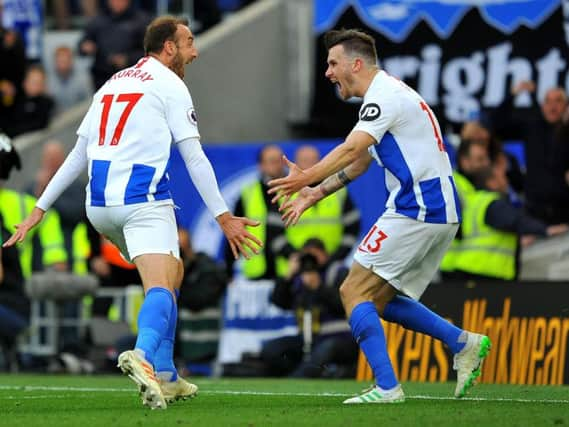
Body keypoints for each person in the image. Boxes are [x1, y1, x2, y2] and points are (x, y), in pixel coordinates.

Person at [4, 16, 262, 410]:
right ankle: (142, 355)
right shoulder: (171, 85)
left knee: (172, 272)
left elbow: (77, 154)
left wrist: (40, 207)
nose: (195, 52)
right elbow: (193, 156)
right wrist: (223, 216)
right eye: (189, 42)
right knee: (160, 285)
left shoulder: (113, 81)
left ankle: (168, 374)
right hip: (141, 200)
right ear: (169, 48)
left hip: (100, 206)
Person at [268, 29, 490, 404]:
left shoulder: (383, 97)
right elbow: (360, 162)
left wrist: (306, 176)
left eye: (332, 63)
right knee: (378, 299)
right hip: (435, 210)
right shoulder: (390, 95)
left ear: (356, 63)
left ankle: (387, 387)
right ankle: (462, 342)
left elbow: (351, 147)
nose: (327, 72)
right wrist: (316, 193)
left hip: (418, 206)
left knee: (351, 289)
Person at [446, 165, 568, 280]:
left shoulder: (475, 201)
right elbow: (515, 221)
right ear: (491, 182)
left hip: (470, 268)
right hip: (485, 272)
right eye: (503, 177)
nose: (506, 182)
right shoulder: (492, 203)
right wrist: (545, 230)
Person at [260, 238, 356, 378]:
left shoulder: (338, 271)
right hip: (308, 339)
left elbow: (345, 306)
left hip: (340, 338)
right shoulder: (300, 277)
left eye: (315, 255)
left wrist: (319, 288)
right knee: (271, 349)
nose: (311, 261)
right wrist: (288, 275)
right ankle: (303, 374)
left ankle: (295, 381)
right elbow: (278, 302)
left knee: (325, 350)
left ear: (325, 255)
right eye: (306, 256)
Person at [489, 82, 569, 224]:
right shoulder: (531, 128)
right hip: (534, 209)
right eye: (548, 101)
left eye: (558, 101)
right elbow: (498, 125)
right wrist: (512, 95)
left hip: (564, 210)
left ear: (566, 106)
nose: (553, 106)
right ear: (542, 106)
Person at [226, 144, 287, 280]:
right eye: (272, 161)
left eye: (280, 161)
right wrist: (229, 271)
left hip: (287, 272)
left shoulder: (293, 193)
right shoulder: (248, 194)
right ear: (261, 165)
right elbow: (233, 232)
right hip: (256, 273)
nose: (277, 165)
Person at [78, 0, 151, 90]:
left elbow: (150, 52)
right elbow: (82, 44)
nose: (116, 2)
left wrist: (128, 59)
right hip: (102, 77)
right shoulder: (98, 20)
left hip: (132, 78)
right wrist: (85, 47)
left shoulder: (142, 21)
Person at [48, 46, 93, 114]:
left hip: (78, 118)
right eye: (60, 61)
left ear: (71, 61)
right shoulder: (47, 80)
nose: (63, 64)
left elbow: (89, 103)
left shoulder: (83, 79)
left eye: (65, 61)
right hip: (56, 119)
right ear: (55, 62)